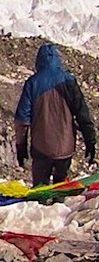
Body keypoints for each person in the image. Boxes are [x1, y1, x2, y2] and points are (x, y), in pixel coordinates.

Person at [14, 42, 95, 187]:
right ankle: (59, 205)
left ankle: (41, 205)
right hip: (65, 147)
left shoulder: (32, 83)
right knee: (60, 188)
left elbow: (22, 121)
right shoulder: (69, 80)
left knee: (40, 190)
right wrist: (90, 141)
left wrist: (21, 147)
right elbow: (83, 115)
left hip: (41, 148)